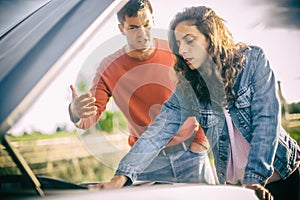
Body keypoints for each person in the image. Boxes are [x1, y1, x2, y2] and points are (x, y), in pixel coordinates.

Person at [94, 5, 300, 200]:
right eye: (179, 44)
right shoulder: (188, 86)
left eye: (189, 40)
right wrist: (121, 177)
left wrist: (254, 181)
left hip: (280, 175)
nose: (182, 50)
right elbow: (157, 133)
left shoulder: (253, 60)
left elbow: (267, 120)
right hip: (237, 189)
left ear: (211, 37)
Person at [69, 0, 216, 185]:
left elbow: (205, 90)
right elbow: (89, 117)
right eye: (133, 27)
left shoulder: (176, 51)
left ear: (153, 20)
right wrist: (76, 113)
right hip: (148, 164)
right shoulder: (108, 68)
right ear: (121, 28)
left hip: (192, 155)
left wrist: (201, 141)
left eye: (146, 24)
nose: (142, 33)